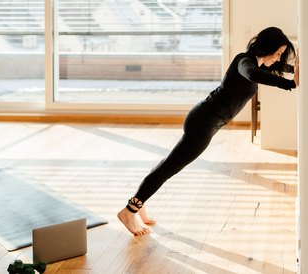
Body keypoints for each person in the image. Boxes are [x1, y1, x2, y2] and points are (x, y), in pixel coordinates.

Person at [117, 26, 300, 236]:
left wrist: (295, 70)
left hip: (204, 120)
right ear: (266, 48)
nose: (278, 59)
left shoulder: (258, 63)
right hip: (202, 124)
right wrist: (290, 85)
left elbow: (272, 70)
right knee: (169, 168)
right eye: (277, 53)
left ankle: (140, 202)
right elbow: (252, 74)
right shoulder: (245, 63)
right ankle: (129, 211)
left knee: (168, 164)